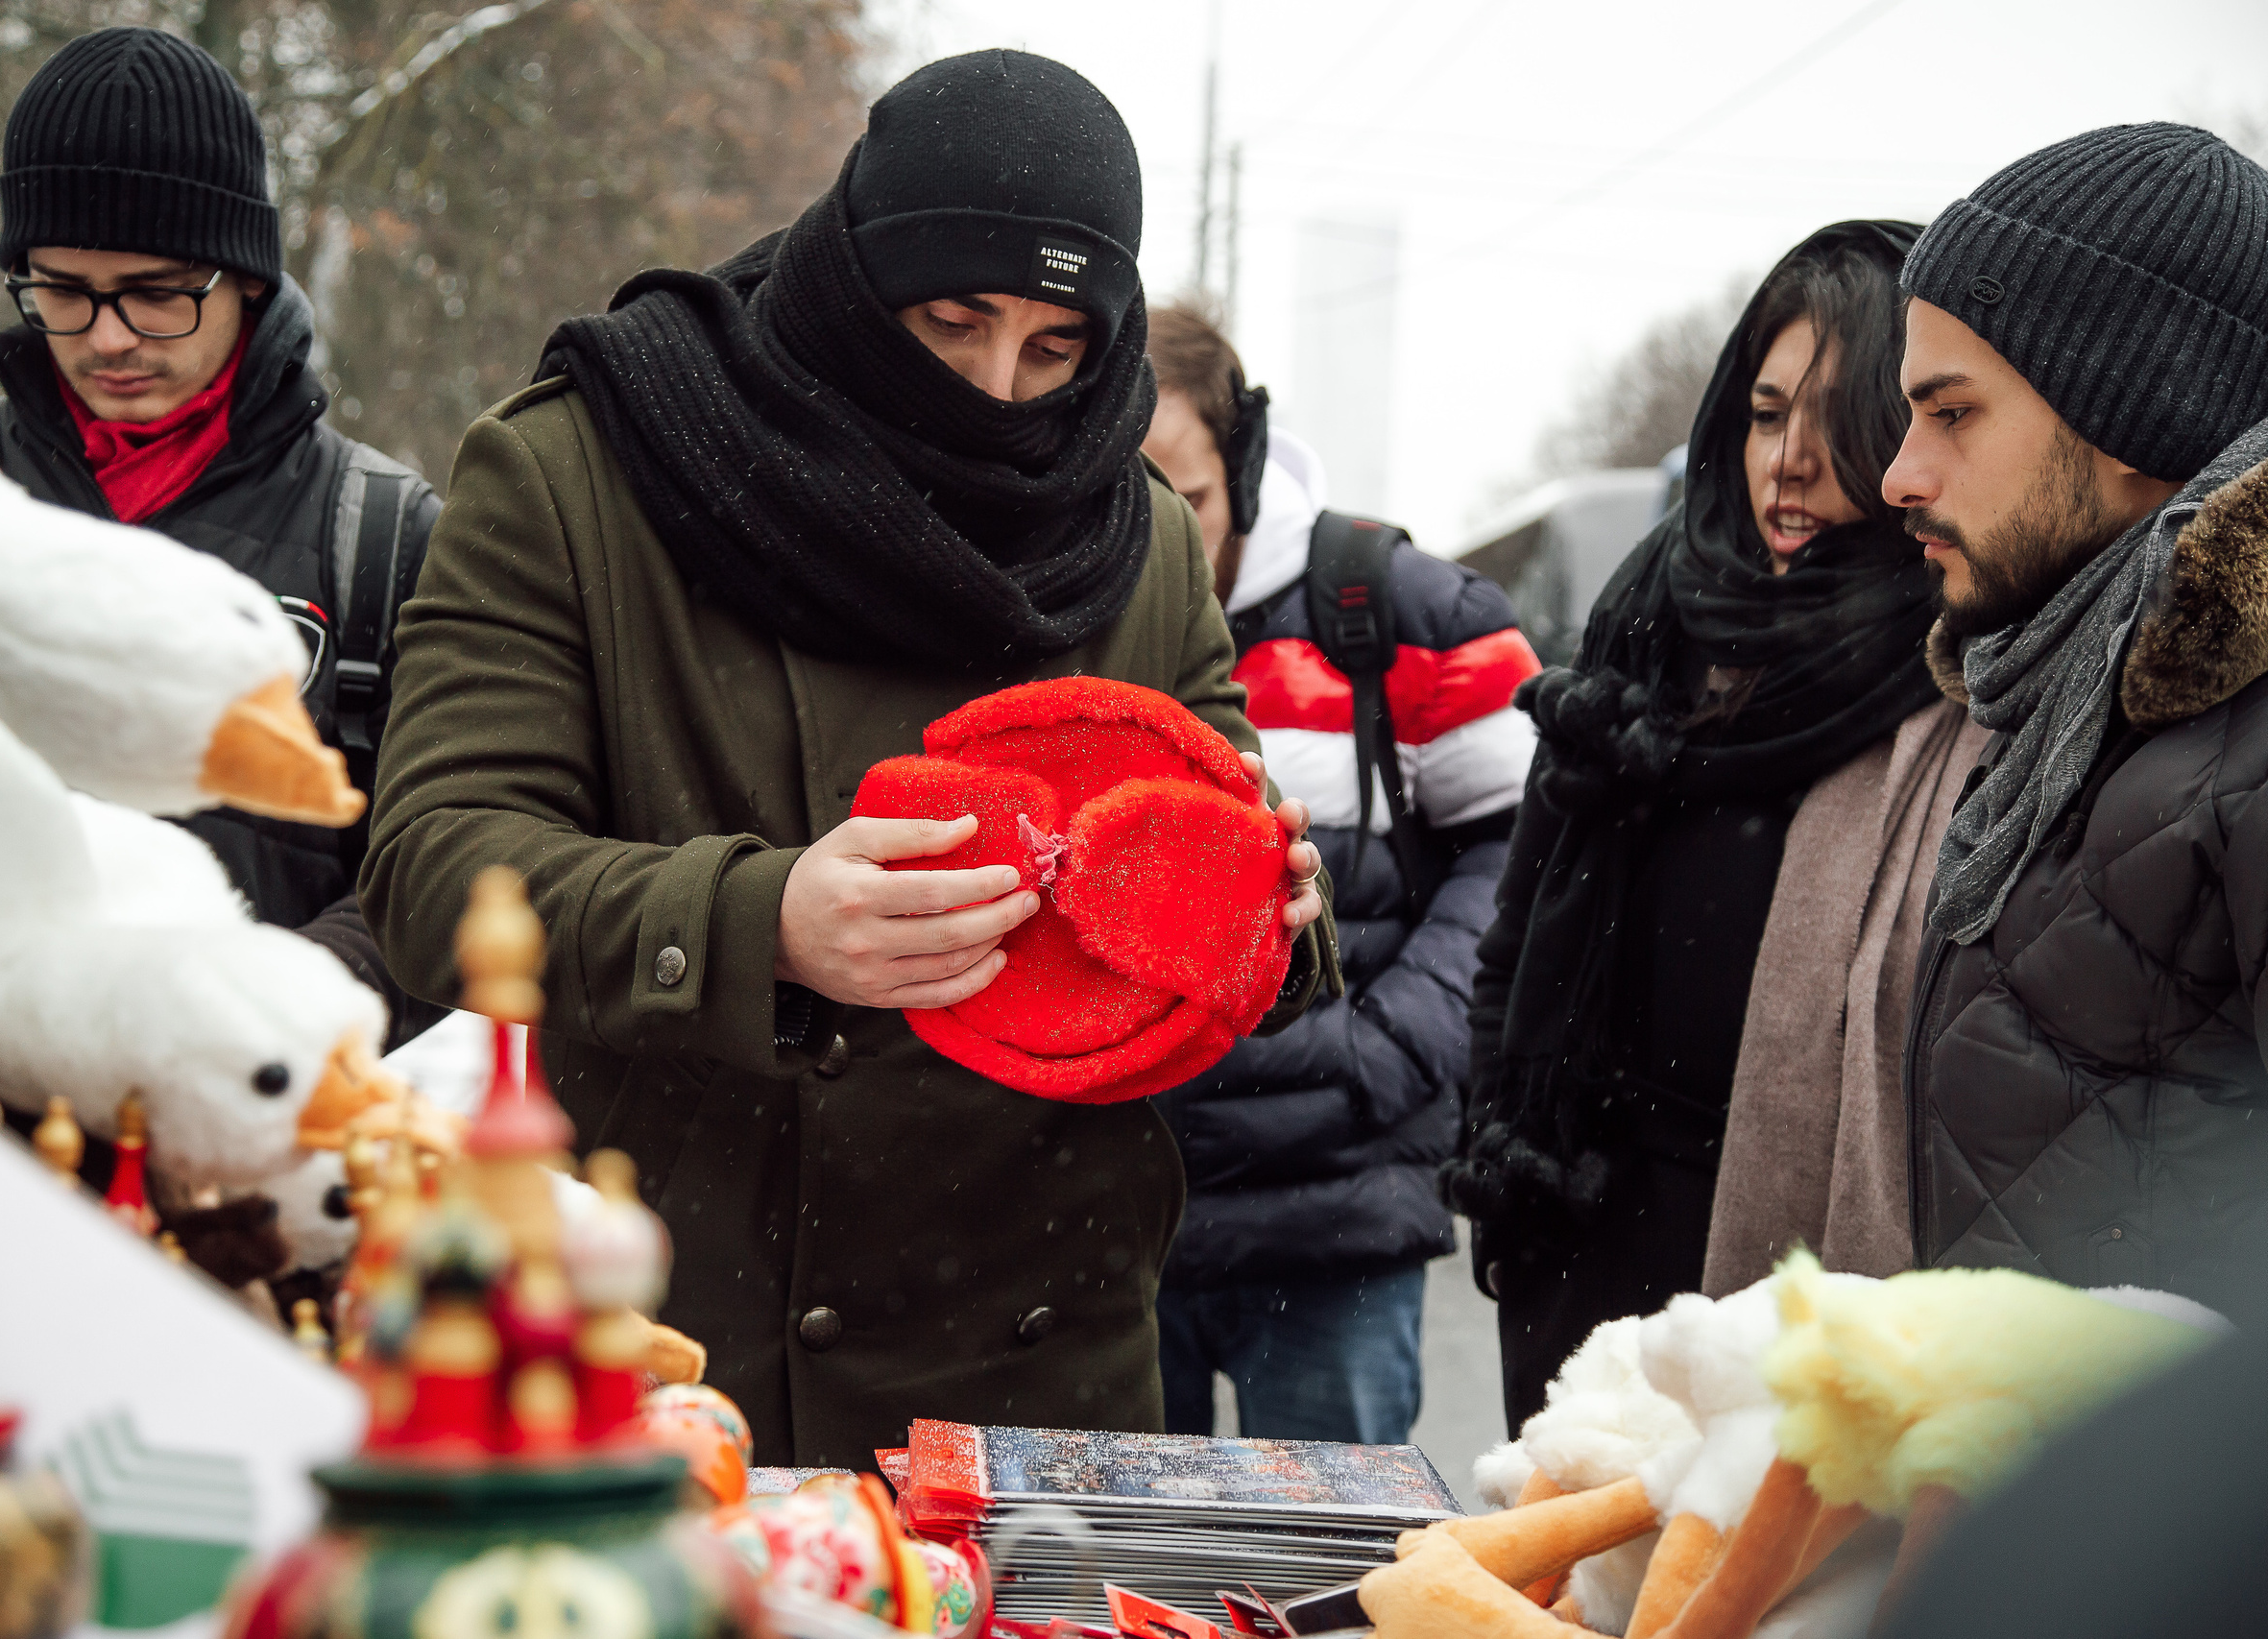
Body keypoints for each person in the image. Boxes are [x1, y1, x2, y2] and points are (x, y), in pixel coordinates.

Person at [358, 51, 1337, 1468]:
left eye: (1058, 348)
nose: (1001, 390)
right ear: (857, 276)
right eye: (953, 321)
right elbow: (435, 865)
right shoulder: (586, 468)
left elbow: (1224, 836)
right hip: (690, 1356)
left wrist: (1263, 914)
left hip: (1039, 1376)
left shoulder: (1136, 530)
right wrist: (765, 925)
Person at [1450, 222, 1988, 1431]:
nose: (1787, 462)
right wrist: (1505, 1147)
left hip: (1776, 1261)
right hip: (1574, 1231)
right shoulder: (1650, 620)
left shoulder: (1954, 669)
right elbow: (1517, 934)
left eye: (1835, 420)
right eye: (1760, 411)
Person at [0, 28, 442, 1047]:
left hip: (242, 1133)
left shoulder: (386, 540)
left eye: (156, 292)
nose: (108, 336)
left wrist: (275, 1010)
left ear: (248, 281)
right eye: (62, 290)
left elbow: (452, 860)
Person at [1139, 302, 1537, 1444]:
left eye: (1188, 498)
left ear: (1245, 467)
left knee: (1319, 1593)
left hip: (1334, 1216)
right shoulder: (1053, 613)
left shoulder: (1398, 610)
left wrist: (1389, 1046)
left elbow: (1530, 847)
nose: (1158, 535)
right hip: (1113, 1219)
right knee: (1105, 1583)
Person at [1889, 124, 2268, 1307]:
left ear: (2136, 418)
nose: (1900, 473)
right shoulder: (2079, 708)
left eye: (1951, 414)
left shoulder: (2239, 746)